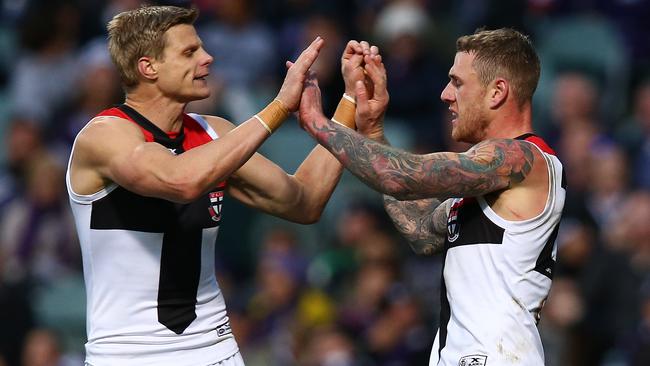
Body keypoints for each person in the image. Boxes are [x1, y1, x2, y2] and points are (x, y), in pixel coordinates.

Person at [65, 5, 372, 366]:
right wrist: (277, 108)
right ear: (148, 67)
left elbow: (305, 200)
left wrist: (350, 102)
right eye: (189, 52)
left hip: (215, 351)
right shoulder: (103, 136)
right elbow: (180, 180)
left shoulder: (215, 135)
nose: (208, 59)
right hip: (126, 354)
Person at [298, 28, 566, 365]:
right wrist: (373, 129)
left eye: (457, 82)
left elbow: (400, 176)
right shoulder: (488, 186)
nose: (445, 94)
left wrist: (317, 122)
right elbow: (421, 233)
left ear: (497, 91)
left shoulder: (524, 160)